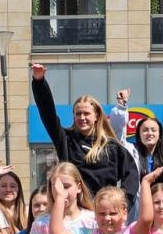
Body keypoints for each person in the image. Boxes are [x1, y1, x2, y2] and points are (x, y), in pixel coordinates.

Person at [31, 63, 140, 207]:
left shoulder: (112, 146)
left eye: (86, 113)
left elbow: (131, 174)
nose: (82, 117)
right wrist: (39, 82)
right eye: (78, 114)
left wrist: (122, 204)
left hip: (103, 214)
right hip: (74, 213)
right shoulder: (66, 139)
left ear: (96, 116)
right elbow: (47, 114)